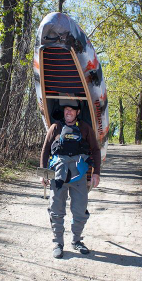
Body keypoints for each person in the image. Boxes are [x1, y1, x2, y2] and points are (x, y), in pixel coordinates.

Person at [40, 99, 101, 259]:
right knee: (56, 210)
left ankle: (76, 241)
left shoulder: (85, 128)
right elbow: (45, 150)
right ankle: (58, 243)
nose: (68, 112)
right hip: (57, 175)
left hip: (79, 175)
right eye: (66, 109)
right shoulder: (55, 128)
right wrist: (44, 174)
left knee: (80, 211)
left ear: (78, 112)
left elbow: (95, 150)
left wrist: (96, 173)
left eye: (72, 110)